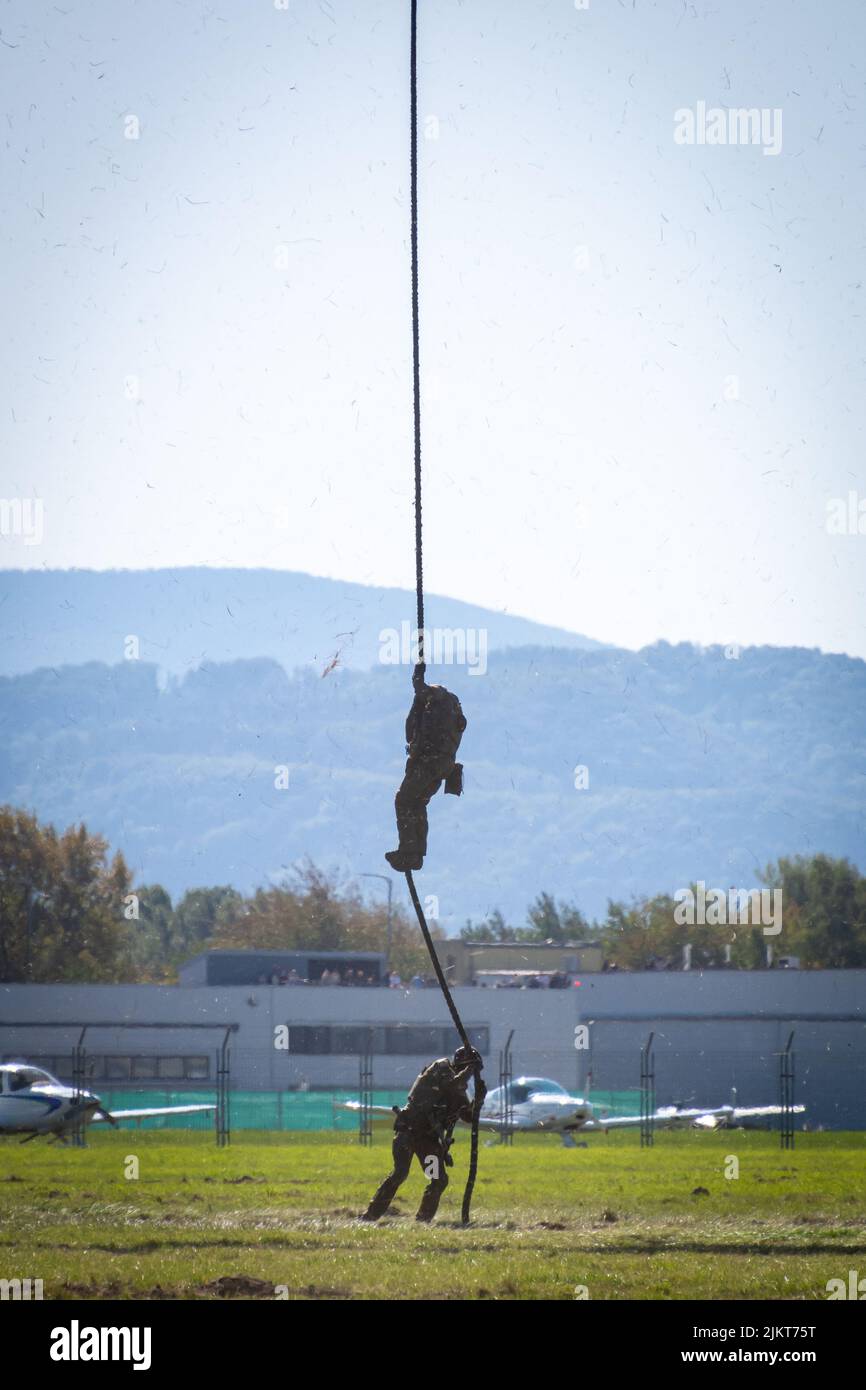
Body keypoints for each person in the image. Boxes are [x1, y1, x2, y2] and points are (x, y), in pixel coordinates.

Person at [362, 1046, 486, 1223]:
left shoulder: (459, 1093)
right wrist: (470, 1070)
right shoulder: (440, 1068)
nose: (469, 1075)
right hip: (408, 1132)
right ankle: (370, 1216)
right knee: (400, 1173)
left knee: (438, 1179)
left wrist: (478, 1101)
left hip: (427, 1142)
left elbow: (468, 1116)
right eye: (468, 1069)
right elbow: (450, 1086)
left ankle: (422, 1220)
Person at [385, 661, 467, 872]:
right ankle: (416, 854)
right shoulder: (454, 707)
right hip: (442, 767)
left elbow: (421, 688)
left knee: (403, 800)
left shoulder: (439, 696)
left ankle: (408, 852)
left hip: (430, 764)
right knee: (418, 803)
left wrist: (417, 672)